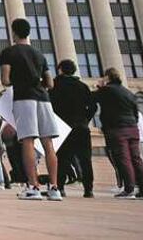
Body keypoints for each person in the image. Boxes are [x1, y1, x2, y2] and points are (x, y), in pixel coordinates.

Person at [0, 18, 61, 201]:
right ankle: (54, 187)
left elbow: (5, 80)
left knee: (27, 141)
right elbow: (50, 82)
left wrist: (20, 80)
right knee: (48, 143)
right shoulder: (40, 55)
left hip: (24, 98)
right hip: (43, 99)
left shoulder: (8, 52)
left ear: (14, 33)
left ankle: (33, 186)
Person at [94, 68, 143, 199]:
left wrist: (100, 87)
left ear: (107, 77)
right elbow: (136, 113)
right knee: (136, 158)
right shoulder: (128, 93)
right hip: (132, 128)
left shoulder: (107, 90)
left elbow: (92, 98)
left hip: (117, 129)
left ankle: (129, 188)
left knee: (123, 158)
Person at [49, 58, 97, 198]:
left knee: (62, 158)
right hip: (81, 127)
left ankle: (60, 187)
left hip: (63, 126)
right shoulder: (82, 86)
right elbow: (93, 106)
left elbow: (49, 106)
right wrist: (85, 119)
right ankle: (88, 189)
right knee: (85, 159)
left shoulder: (55, 86)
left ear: (60, 70)